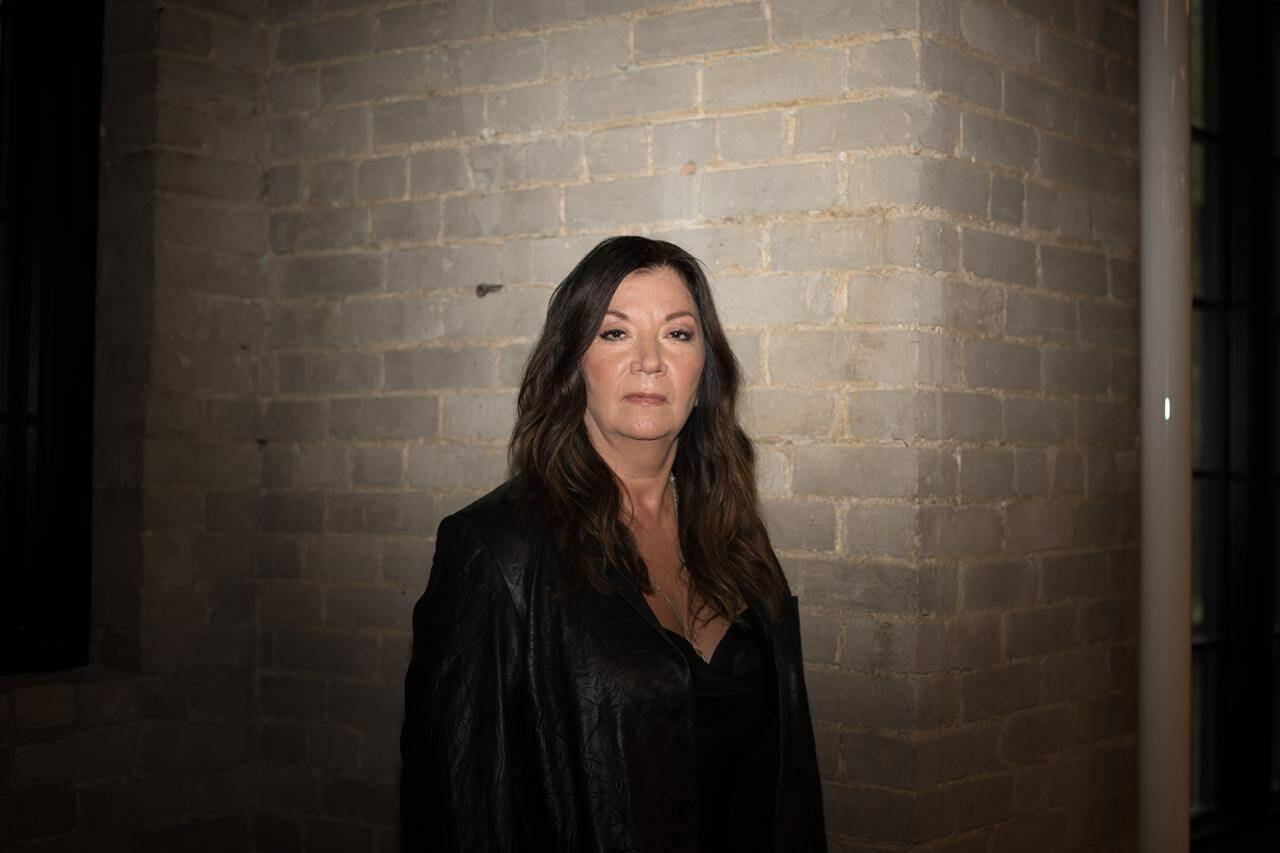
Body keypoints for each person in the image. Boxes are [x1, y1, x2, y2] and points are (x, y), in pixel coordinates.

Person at [401, 236, 826, 852]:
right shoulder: (495, 552)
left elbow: (790, 782)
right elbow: (458, 810)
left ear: (705, 372)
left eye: (678, 335)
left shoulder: (736, 536)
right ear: (573, 365)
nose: (650, 361)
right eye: (614, 333)